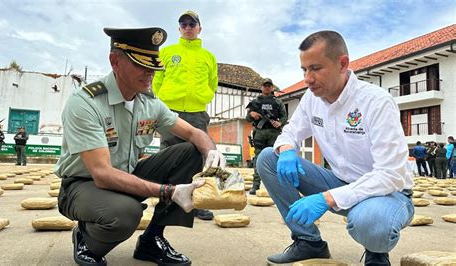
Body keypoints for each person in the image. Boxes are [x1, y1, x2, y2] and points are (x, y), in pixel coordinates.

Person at [54, 27, 225, 266]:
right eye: (141, 65)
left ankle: (152, 240)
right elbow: (102, 174)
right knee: (126, 214)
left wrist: (211, 153)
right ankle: (85, 238)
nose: (150, 74)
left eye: (154, 66)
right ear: (115, 61)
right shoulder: (86, 102)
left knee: (192, 150)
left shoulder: (149, 102)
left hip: (126, 176)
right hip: (83, 185)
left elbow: (193, 132)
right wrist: (169, 191)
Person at [256, 31, 414, 265]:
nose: (308, 78)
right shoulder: (312, 99)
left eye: (316, 68)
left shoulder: (375, 102)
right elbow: (290, 131)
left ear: (342, 64)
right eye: (304, 69)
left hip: (387, 193)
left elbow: (390, 175)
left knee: (371, 222)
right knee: (269, 158)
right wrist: (287, 148)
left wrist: (327, 198)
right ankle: (308, 242)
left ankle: (376, 253)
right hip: (340, 182)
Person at [152, 10, 218, 221]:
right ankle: (167, 199)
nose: (188, 27)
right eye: (184, 24)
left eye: (192, 24)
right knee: (168, 153)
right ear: (179, 28)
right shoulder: (167, 52)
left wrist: (204, 96)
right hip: (171, 111)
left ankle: (196, 203)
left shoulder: (208, 56)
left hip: (198, 112)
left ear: (200, 28)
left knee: (199, 156)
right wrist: (161, 100)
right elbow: (157, 80)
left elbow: (212, 83)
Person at [246, 78, 287, 195]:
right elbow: (247, 118)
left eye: (269, 86)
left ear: (272, 88)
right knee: (258, 159)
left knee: (274, 158)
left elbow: (284, 117)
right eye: (265, 85)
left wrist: (280, 123)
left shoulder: (278, 102)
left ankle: (276, 187)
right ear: (261, 87)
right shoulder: (255, 102)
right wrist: (252, 114)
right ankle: (255, 185)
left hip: (273, 133)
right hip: (260, 132)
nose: (267, 87)